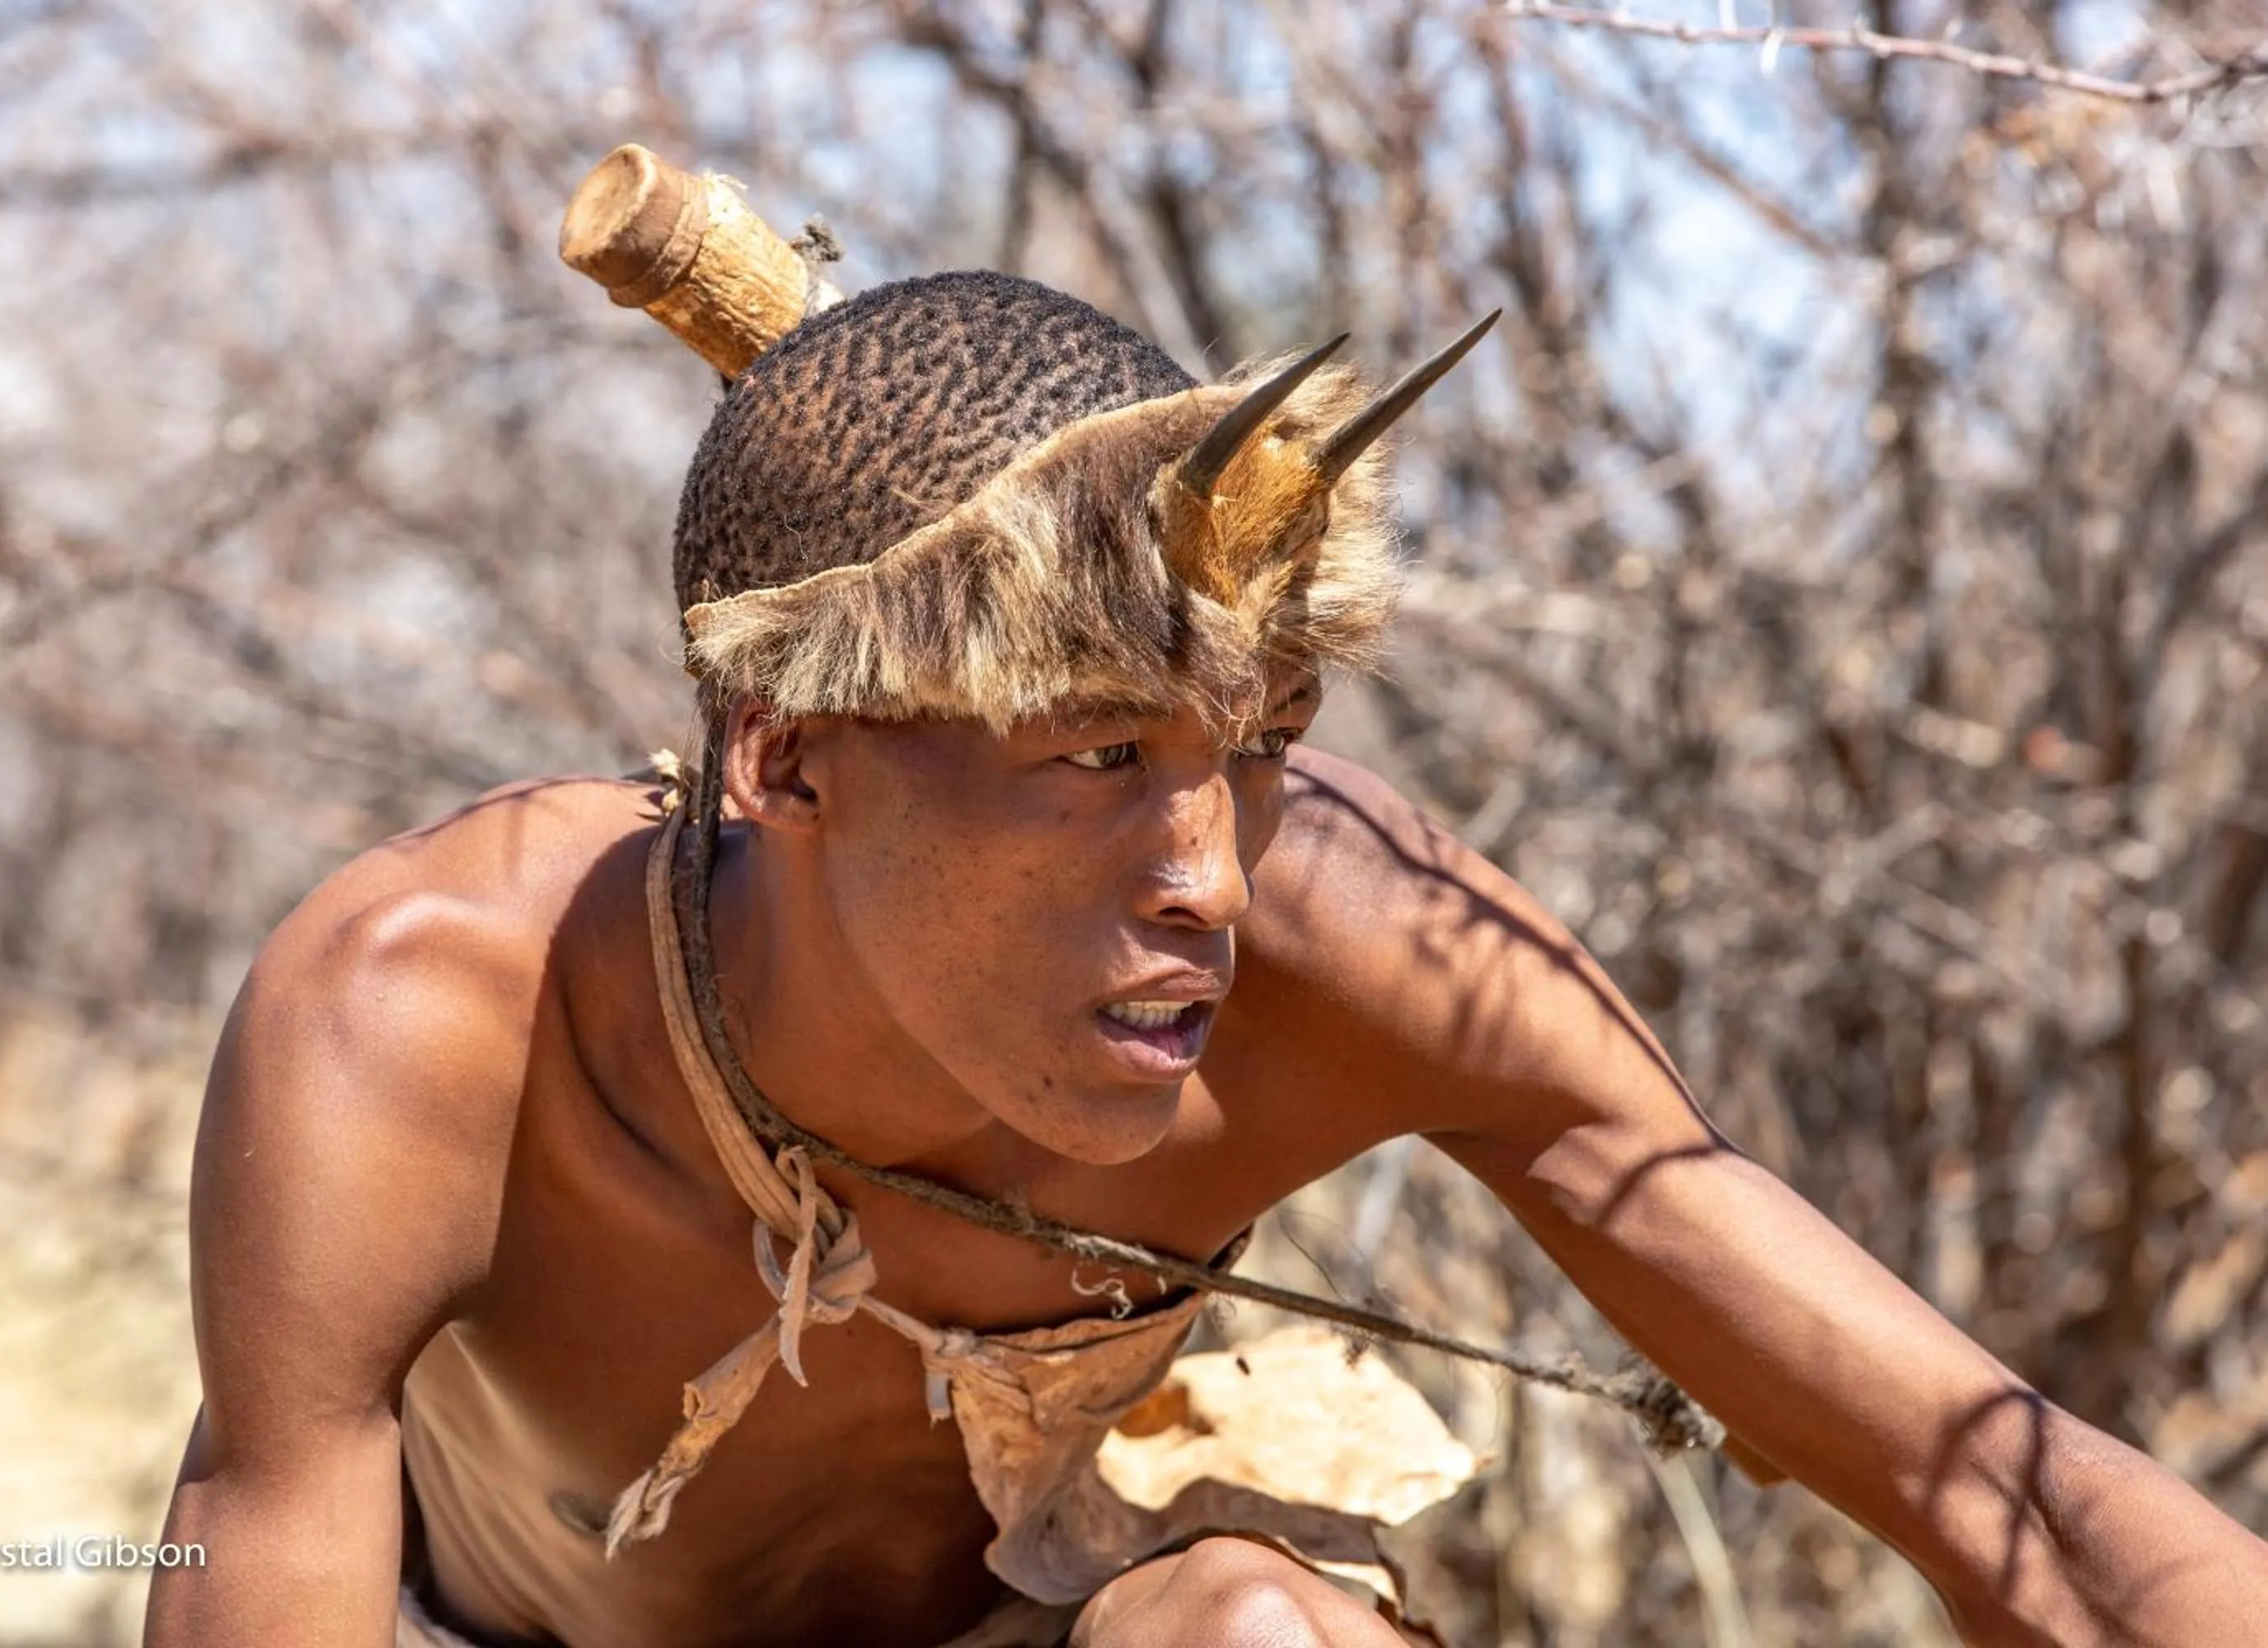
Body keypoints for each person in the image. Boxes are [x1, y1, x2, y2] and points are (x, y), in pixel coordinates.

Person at [143, 270, 2268, 1648]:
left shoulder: (1372, 953)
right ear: (784, 760)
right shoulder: (424, 1015)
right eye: (1096, 757)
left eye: (1253, 751)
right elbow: (272, 1546)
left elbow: (2013, 1503)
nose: (1216, 879)